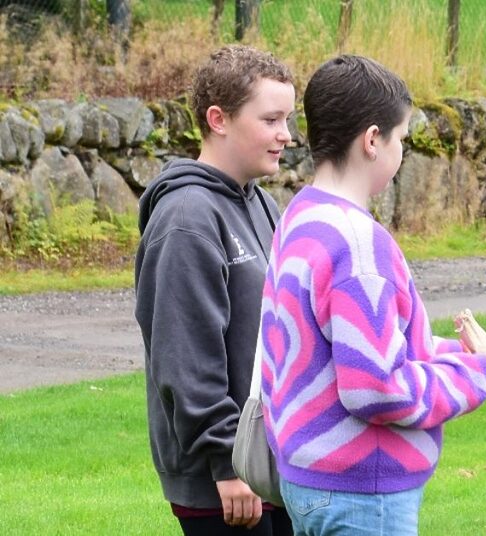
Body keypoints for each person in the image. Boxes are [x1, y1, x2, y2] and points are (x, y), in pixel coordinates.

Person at [258, 55, 486, 536]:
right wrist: (474, 375)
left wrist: (469, 353)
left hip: (311, 484)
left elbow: (358, 351)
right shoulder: (359, 245)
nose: (401, 153)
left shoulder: (303, 217)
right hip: (362, 493)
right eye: (402, 140)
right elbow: (376, 389)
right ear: (373, 140)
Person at [134, 44, 296, 535]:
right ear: (218, 119)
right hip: (224, 483)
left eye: (288, 119)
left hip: (270, 464)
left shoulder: (263, 205)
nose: (286, 135)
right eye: (271, 120)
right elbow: (183, 354)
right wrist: (228, 462)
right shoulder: (186, 219)